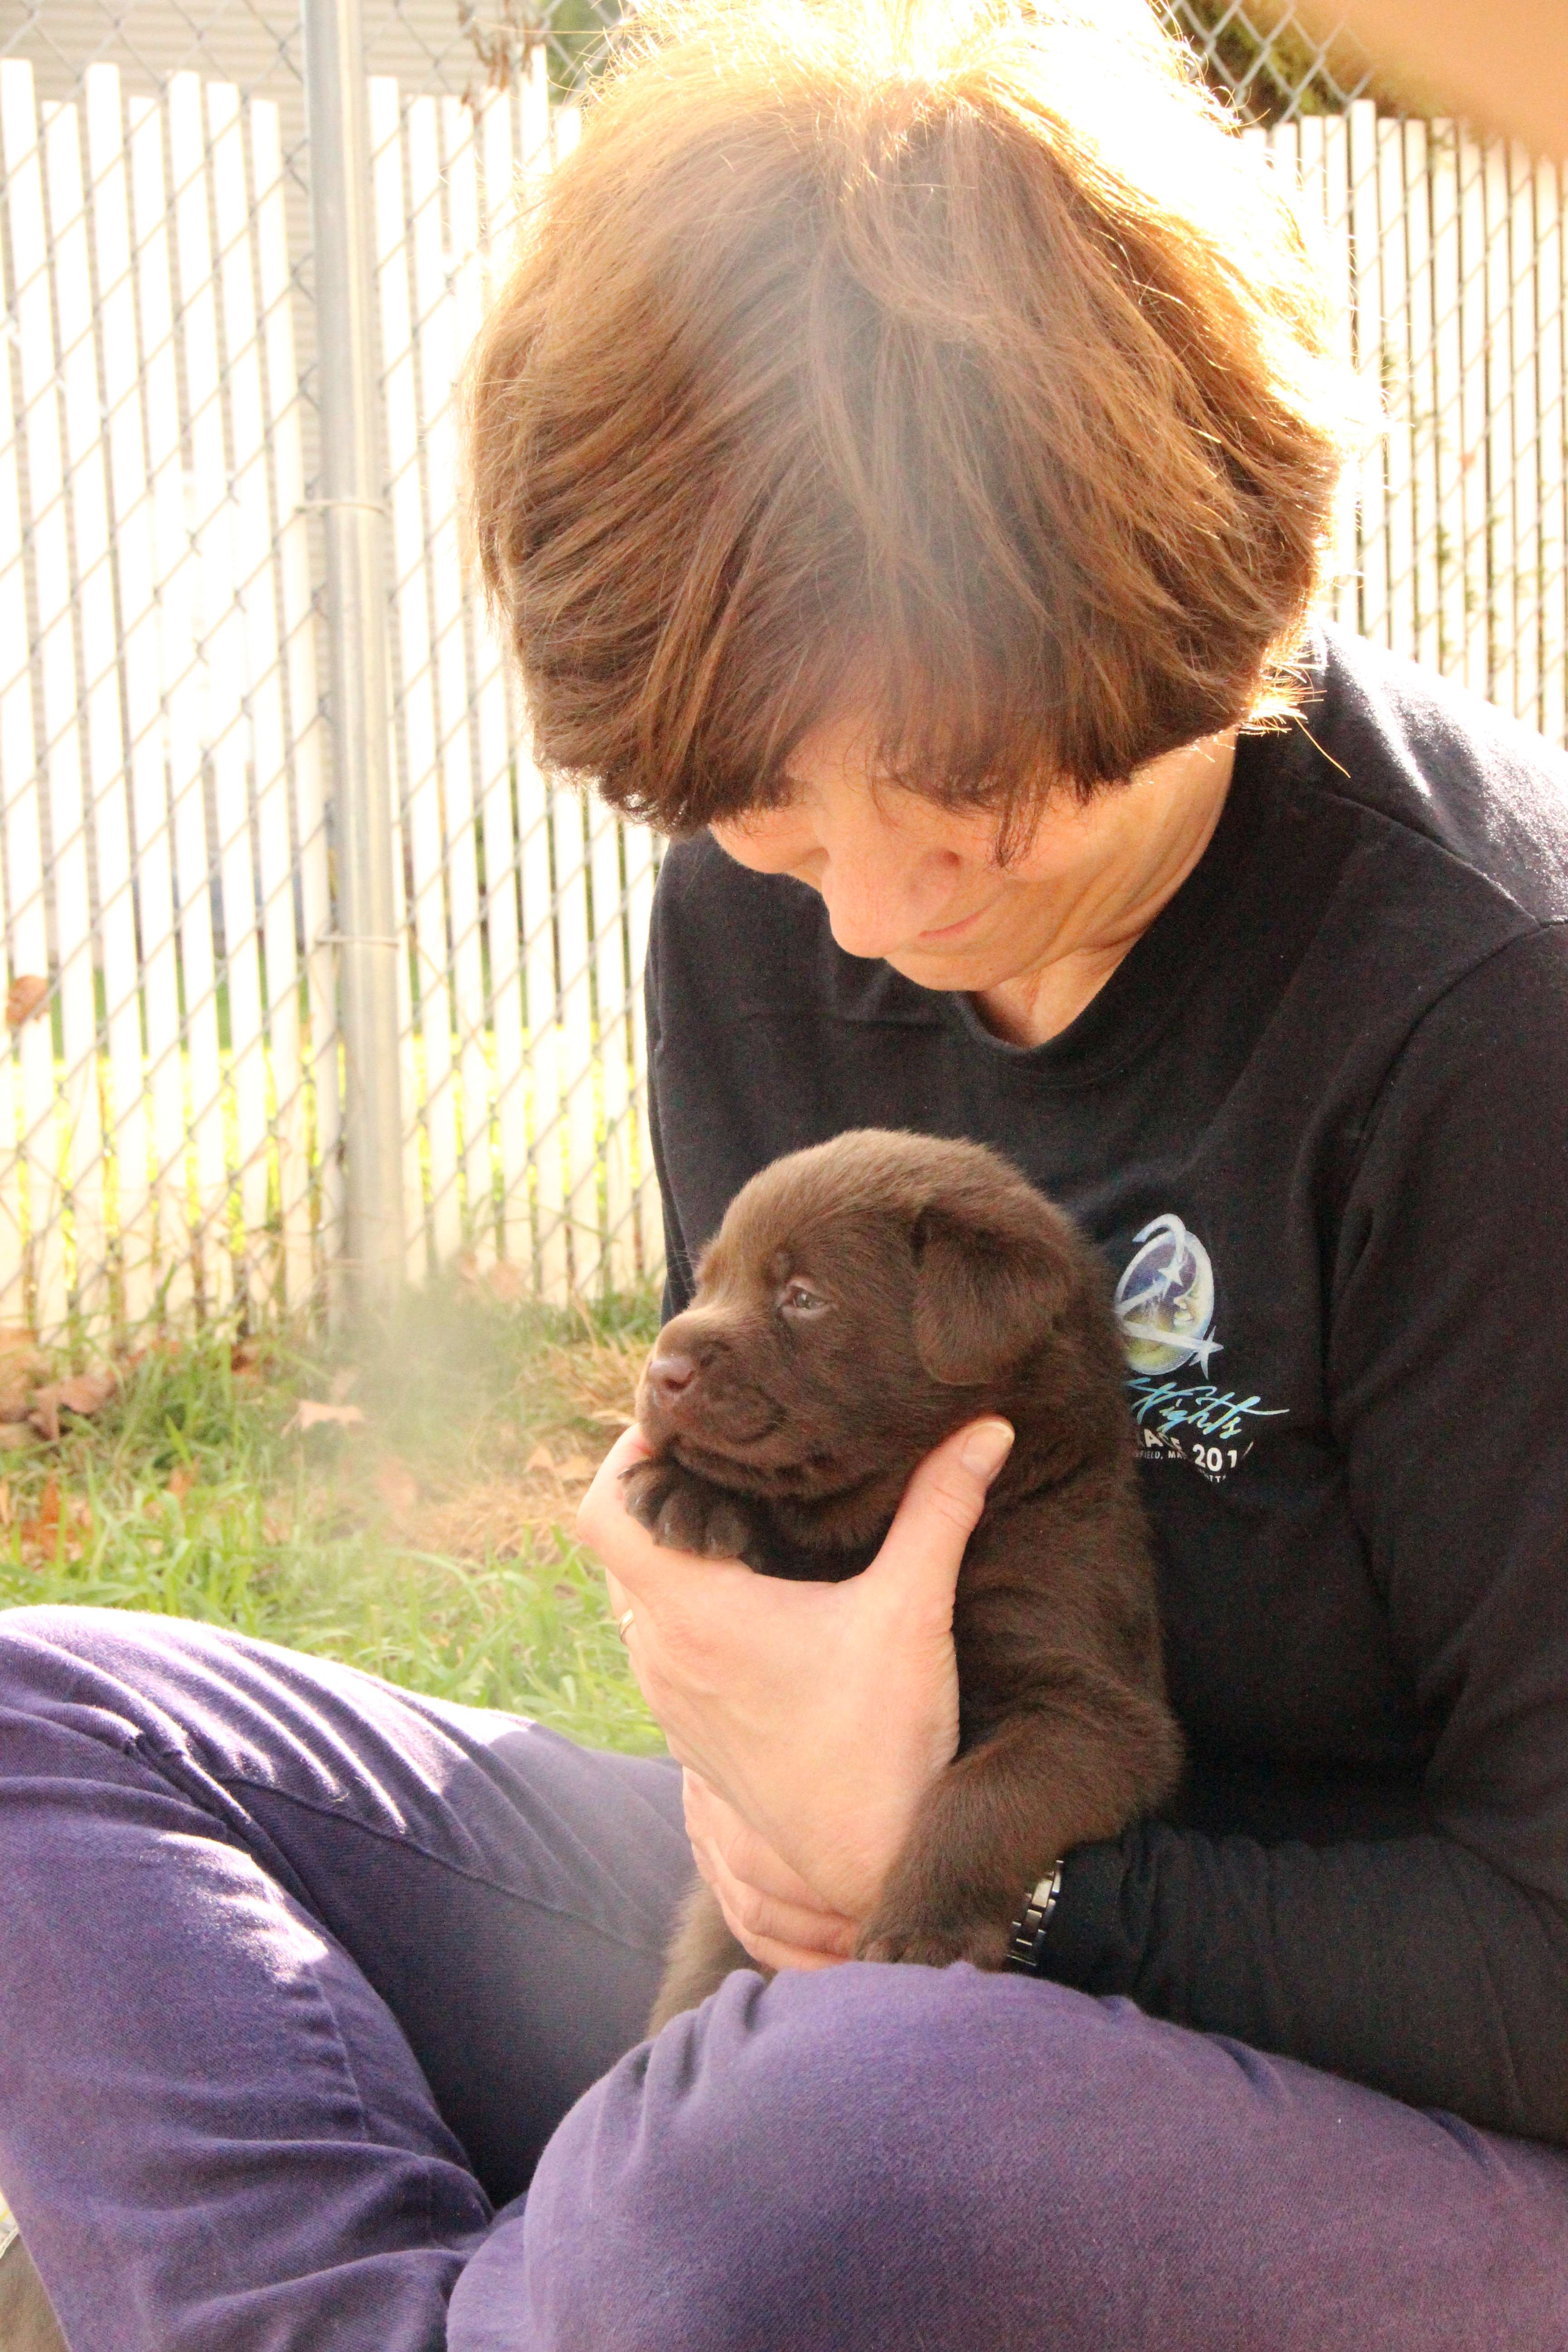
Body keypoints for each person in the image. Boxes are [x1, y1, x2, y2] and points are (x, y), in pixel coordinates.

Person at [3, 0, 1568, 2344]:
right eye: (760, 816)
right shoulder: (763, 916)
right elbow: (786, 1557)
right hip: (880, 1939)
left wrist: (991, 1903)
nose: (866, 920)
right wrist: (725, 1677)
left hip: (1415, 2110)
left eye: (968, 799)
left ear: (1176, 594)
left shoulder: (1483, 1024)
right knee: (48, 1745)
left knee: (786, 2152)